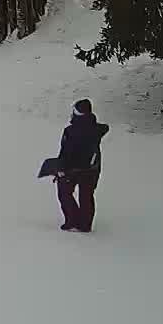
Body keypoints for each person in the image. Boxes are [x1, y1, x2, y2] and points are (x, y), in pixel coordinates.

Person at [54, 99, 109, 233]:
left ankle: (72, 221)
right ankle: (85, 225)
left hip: (71, 169)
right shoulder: (97, 129)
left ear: (77, 113)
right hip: (92, 169)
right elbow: (105, 127)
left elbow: (65, 152)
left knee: (64, 192)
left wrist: (59, 169)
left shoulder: (70, 131)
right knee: (87, 196)